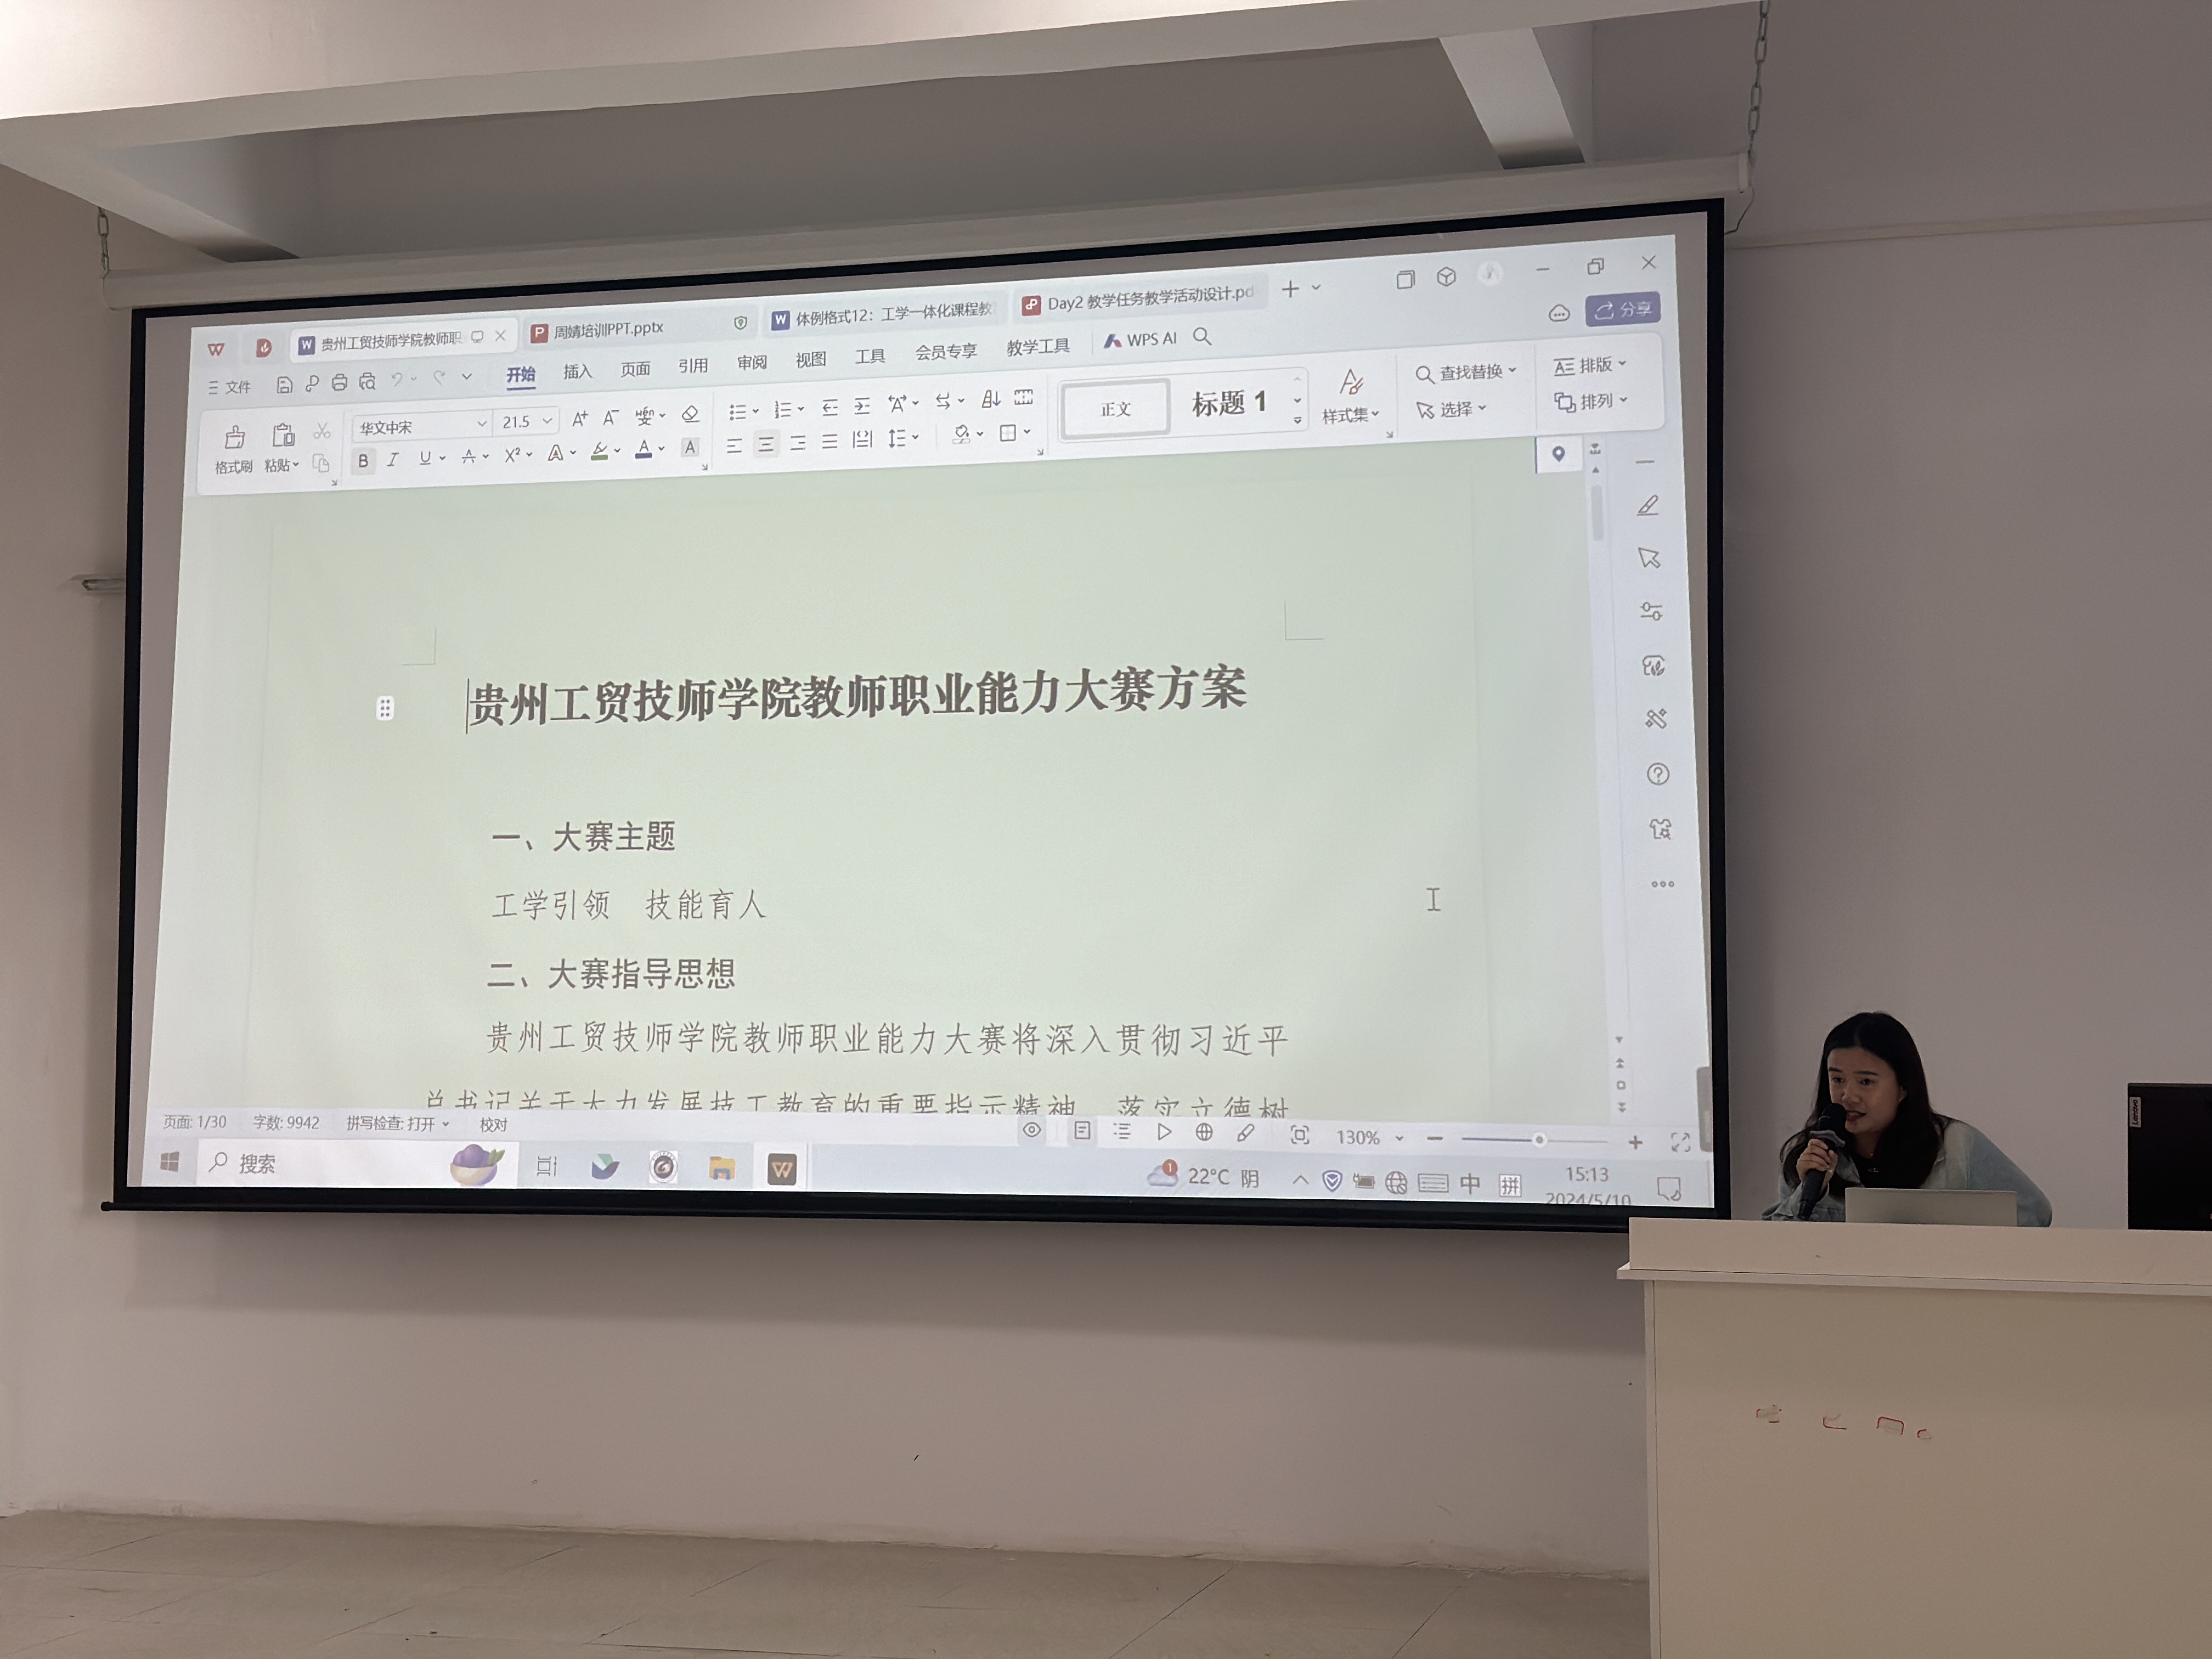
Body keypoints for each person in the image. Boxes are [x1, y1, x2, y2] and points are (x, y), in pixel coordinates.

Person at [1764, 1012, 2051, 1225]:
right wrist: (1808, 1192)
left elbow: (2034, 1213)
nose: (1848, 1096)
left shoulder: (1957, 1145)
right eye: (1837, 1079)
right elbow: (1774, 1249)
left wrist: (1961, 1252)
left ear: (1903, 1087)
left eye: (1866, 1082)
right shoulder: (1808, 1154)